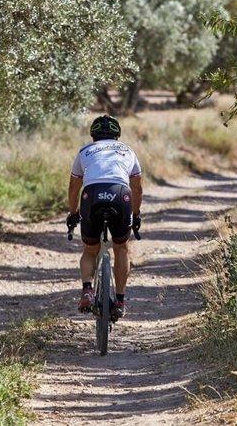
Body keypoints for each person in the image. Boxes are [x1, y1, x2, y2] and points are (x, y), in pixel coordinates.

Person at [66, 114, 142, 320]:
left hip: (91, 194)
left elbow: (74, 187)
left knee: (90, 250)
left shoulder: (85, 151)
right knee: (121, 248)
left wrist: (73, 214)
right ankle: (119, 301)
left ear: (93, 135)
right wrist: (135, 215)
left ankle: (87, 290)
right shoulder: (127, 151)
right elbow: (137, 188)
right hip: (120, 193)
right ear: (117, 135)